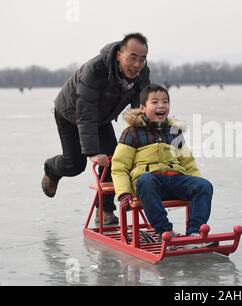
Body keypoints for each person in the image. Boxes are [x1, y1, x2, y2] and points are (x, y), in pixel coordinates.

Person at [42, 33, 151, 225]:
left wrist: (145, 138)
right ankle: (51, 169)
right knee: (75, 165)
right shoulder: (95, 70)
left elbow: (141, 106)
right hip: (69, 113)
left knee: (114, 160)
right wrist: (92, 151)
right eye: (132, 57)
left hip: (101, 118)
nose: (137, 64)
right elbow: (85, 112)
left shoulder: (141, 72)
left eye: (142, 59)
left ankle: (105, 211)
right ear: (119, 54)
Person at [111, 84, 214, 246]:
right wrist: (124, 193)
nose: (161, 105)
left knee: (204, 186)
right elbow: (119, 166)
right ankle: (165, 231)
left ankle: (195, 232)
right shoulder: (132, 132)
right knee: (145, 180)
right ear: (143, 108)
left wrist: (195, 183)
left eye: (165, 101)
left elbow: (188, 162)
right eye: (155, 102)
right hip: (149, 185)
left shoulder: (173, 132)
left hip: (175, 180)